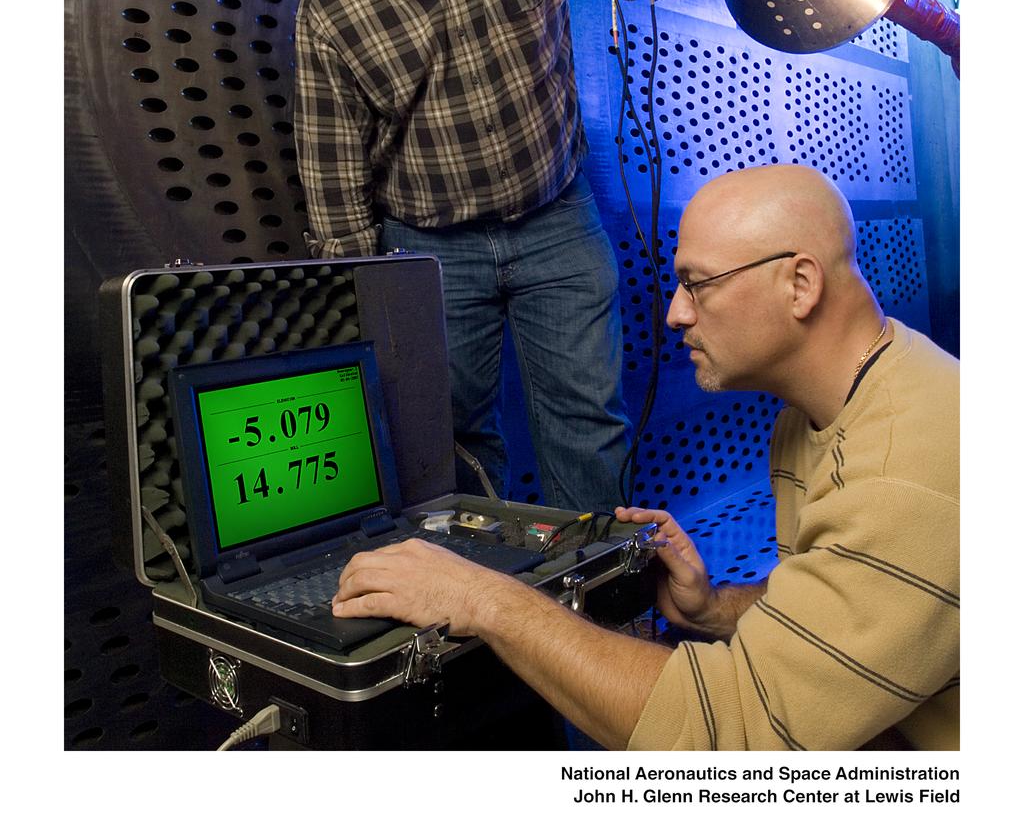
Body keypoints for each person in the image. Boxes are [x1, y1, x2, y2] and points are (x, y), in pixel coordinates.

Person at [330, 164, 959, 751]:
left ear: (800, 284)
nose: (673, 314)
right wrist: (715, 608)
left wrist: (484, 600)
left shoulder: (901, 474)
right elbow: (840, 608)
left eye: (695, 283)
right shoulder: (827, 407)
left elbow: (737, 743)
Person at [294, 0, 719, 510]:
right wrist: (372, 305)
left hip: (555, 216)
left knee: (586, 421)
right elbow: (332, 177)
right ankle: (488, 600)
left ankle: (597, 594)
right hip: (430, 248)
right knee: (446, 439)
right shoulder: (331, 9)